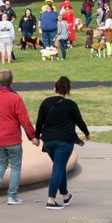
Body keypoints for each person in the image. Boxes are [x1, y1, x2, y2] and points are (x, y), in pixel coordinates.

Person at [34, 75, 90, 208]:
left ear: (55, 89)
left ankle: (65, 195)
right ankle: (50, 200)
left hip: (48, 141)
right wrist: (87, 133)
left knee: (60, 167)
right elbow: (79, 122)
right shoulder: (71, 105)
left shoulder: (46, 102)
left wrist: (36, 137)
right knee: (58, 168)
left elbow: (39, 122)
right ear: (67, 90)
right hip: (64, 142)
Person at [0, 70, 36, 204]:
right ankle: (12, 196)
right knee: (16, 166)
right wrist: (32, 136)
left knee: (1, 163)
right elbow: (24, 120)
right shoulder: (15, 98)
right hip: (12, 139)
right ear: (12, 81)